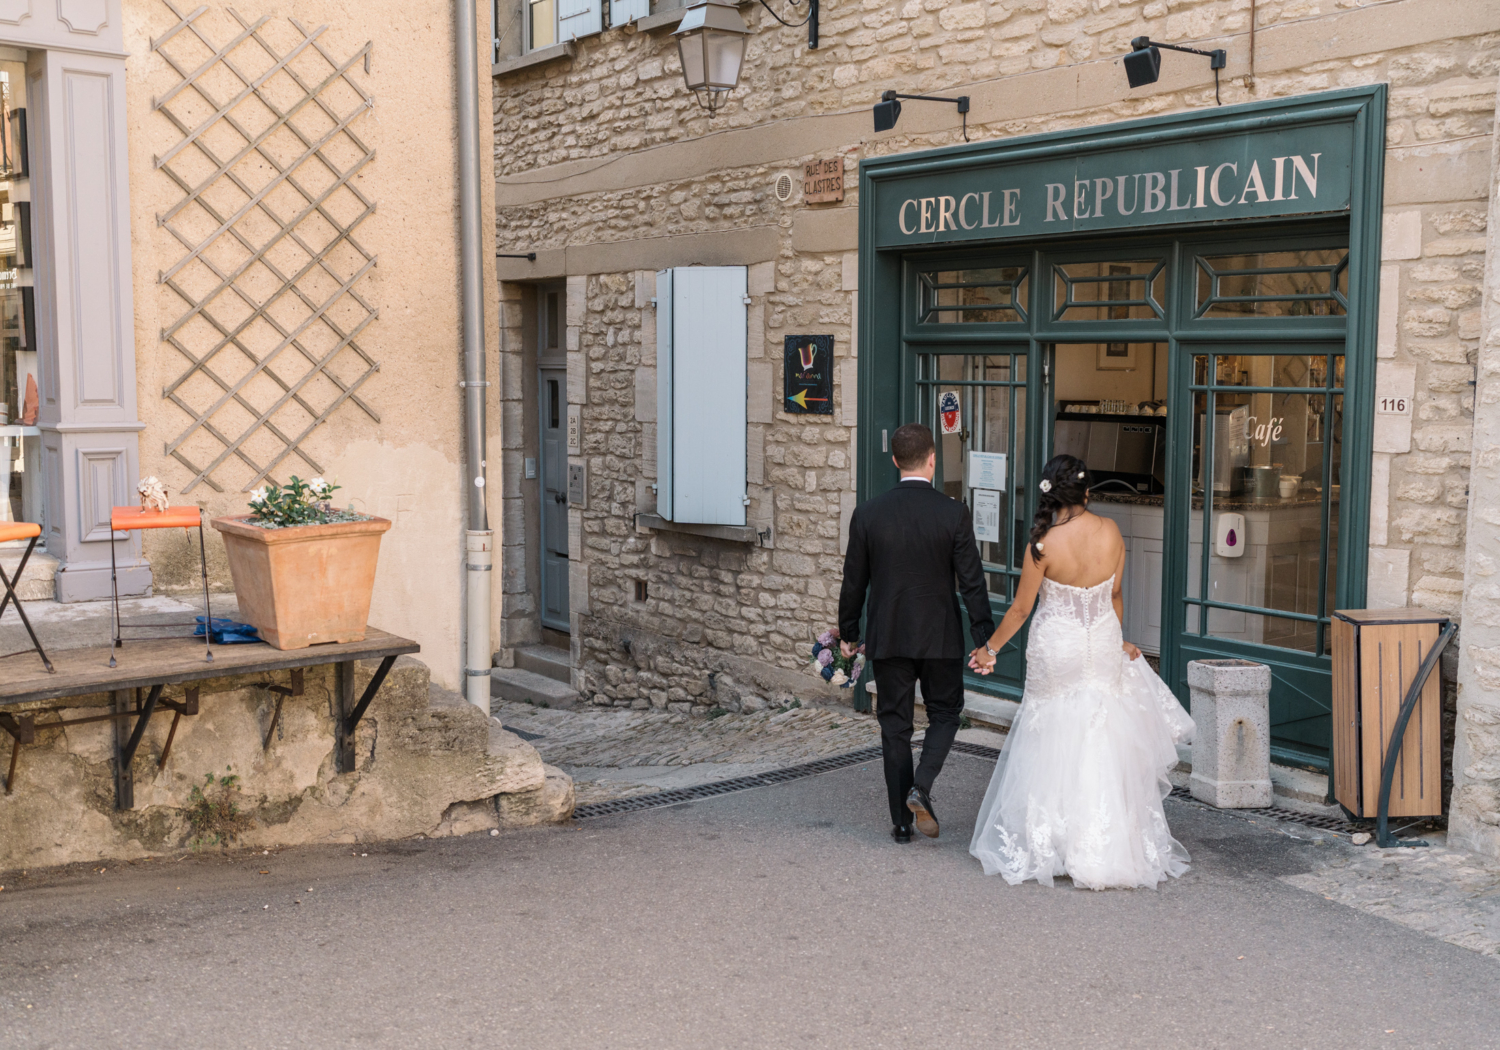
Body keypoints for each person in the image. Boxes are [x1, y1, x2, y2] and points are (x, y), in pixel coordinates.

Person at [967, 453, 1193, 890]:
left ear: (1050, 494)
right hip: (1102, 641)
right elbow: (1116, 594)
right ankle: (1105, 845)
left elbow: (1020, 610)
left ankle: (1054, 843)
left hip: (1059, 646)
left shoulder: (1045, 542)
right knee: (1100, 739)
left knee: (1052, 736)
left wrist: (989, 649)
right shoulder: (1110, 531)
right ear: (1087, 493)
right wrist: (1118, 638)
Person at [838, 423, 995, 844]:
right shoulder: (952, 513)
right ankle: (920, 786)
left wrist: (849, 632)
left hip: (890, 635)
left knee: (895, 726)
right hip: (940, 636)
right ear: (932, 459)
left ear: (894, 461)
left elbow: (853, 581)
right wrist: (984, 638)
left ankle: (901, 824)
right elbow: (972, 581)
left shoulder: (868, 514)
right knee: (945, 714)